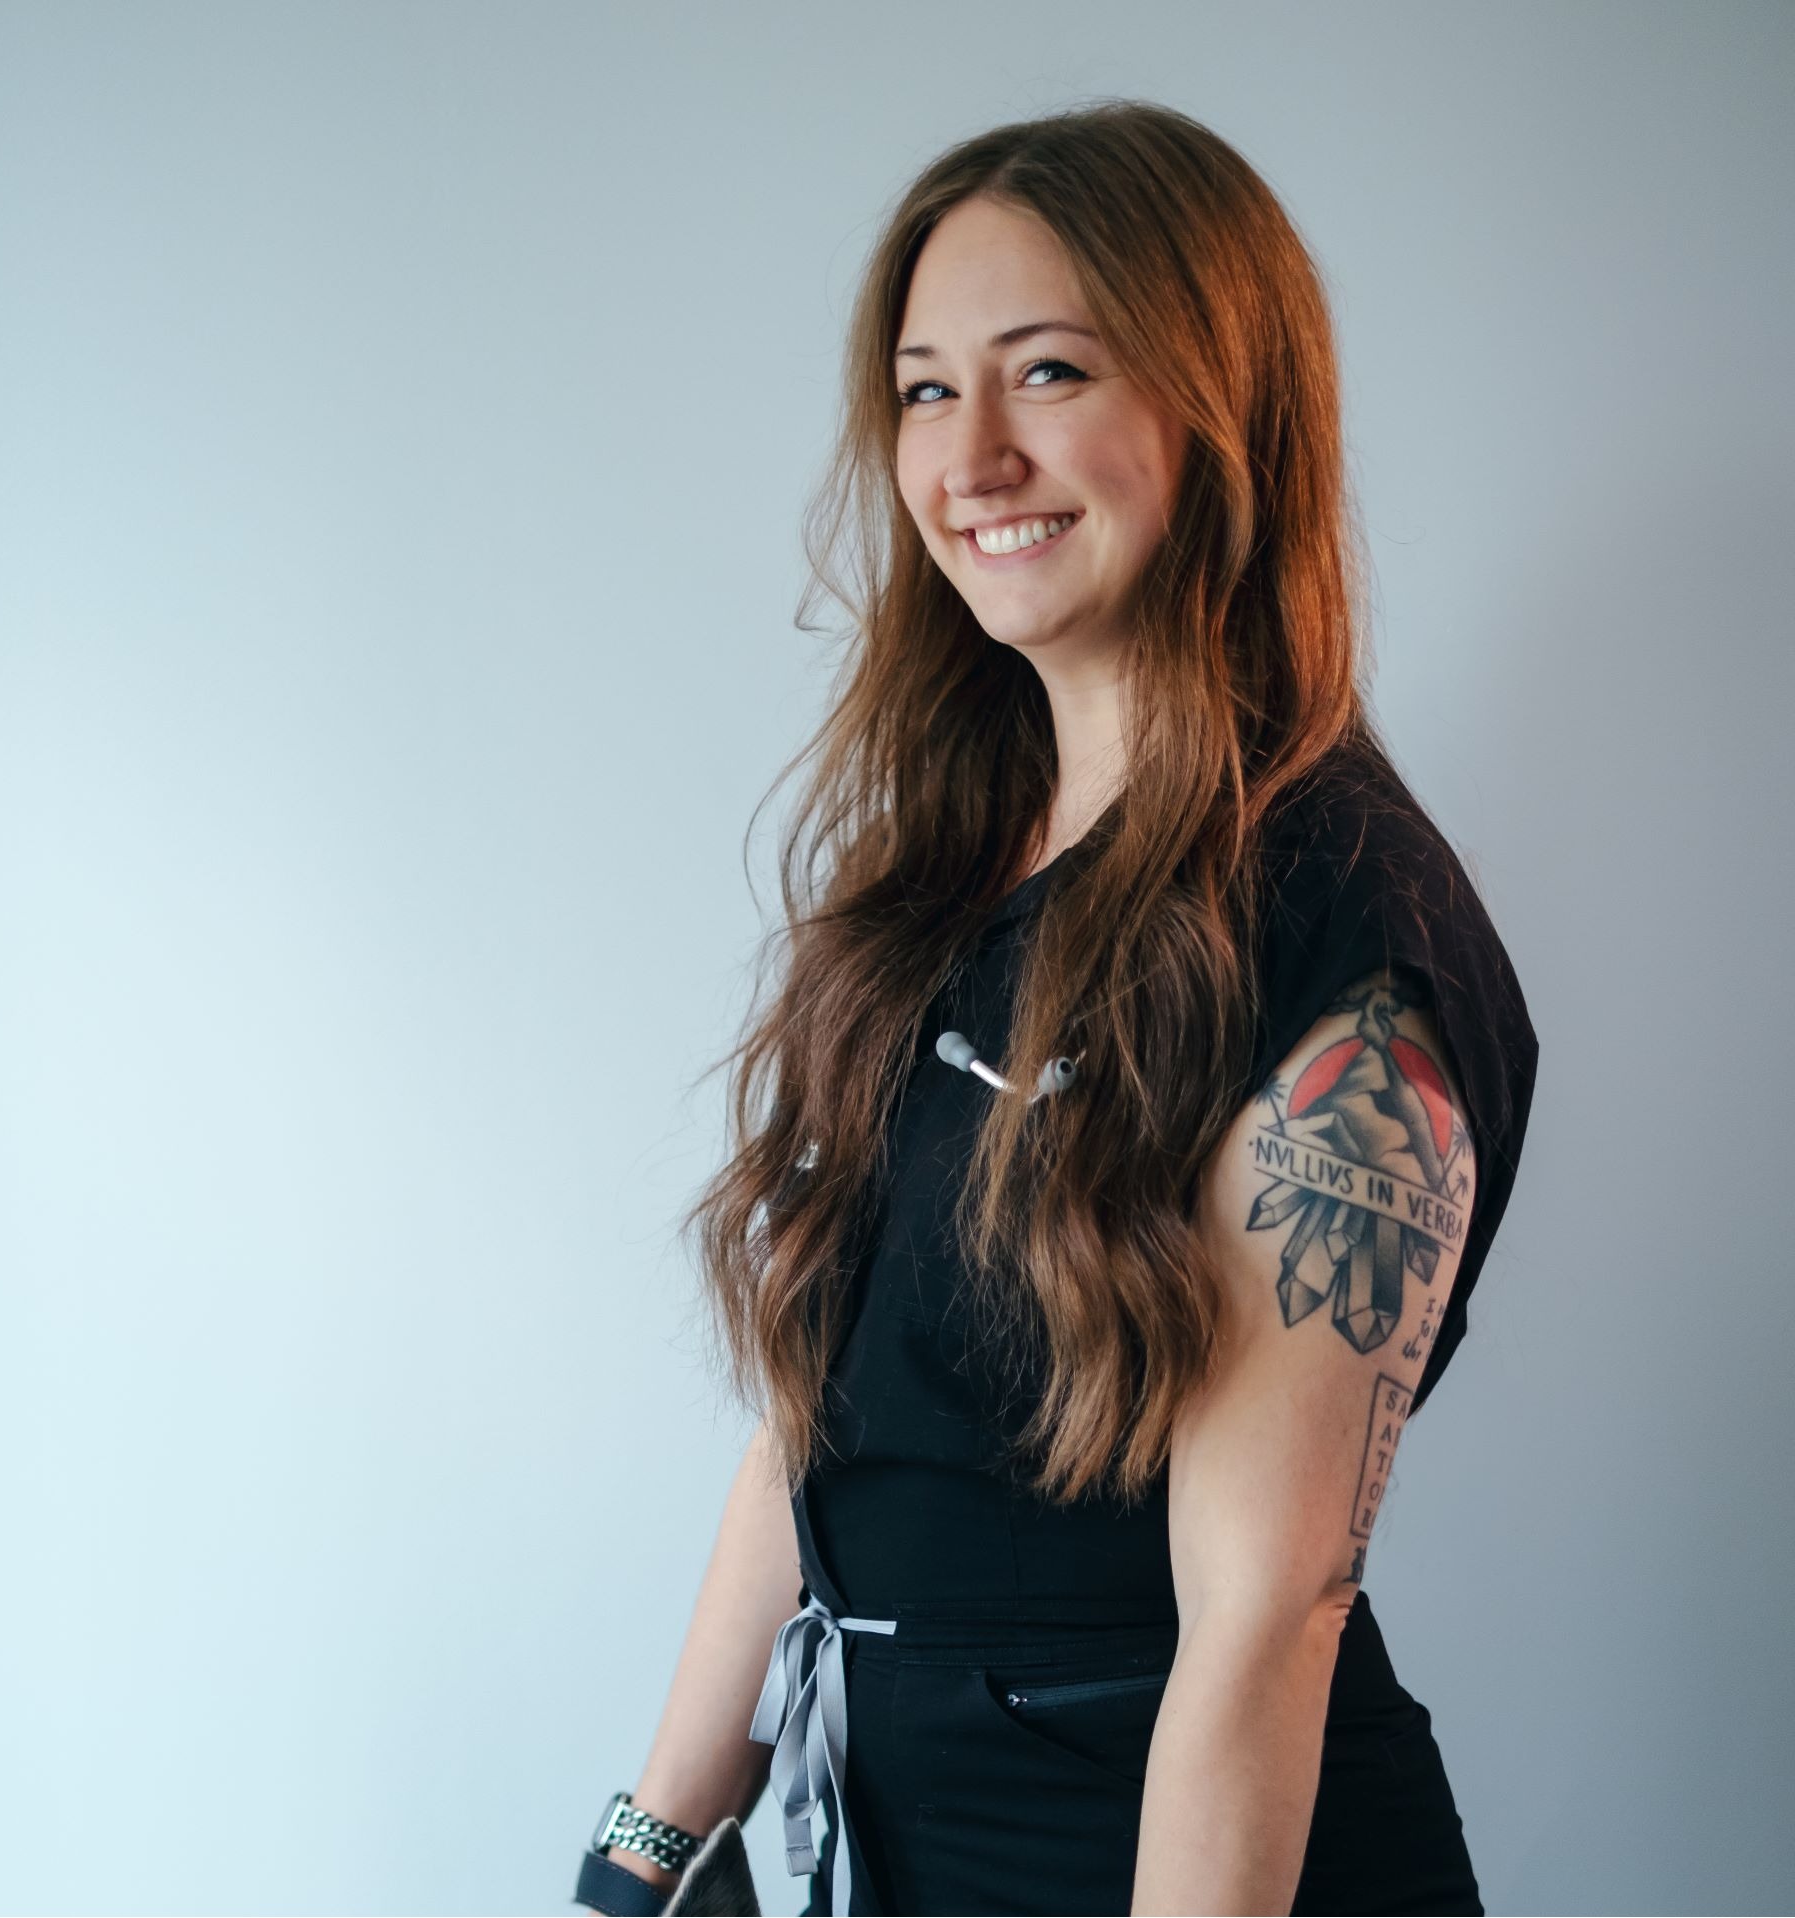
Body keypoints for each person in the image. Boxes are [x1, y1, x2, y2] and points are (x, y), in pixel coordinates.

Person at [572, 98, 1538, 1918]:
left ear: (1220, 410)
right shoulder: (945, 873)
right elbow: (816, 1427)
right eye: (929, 391)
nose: (974, 456)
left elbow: (1267, 1620)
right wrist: (646, 1848)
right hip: (909, 1838)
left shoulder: (1345, 923)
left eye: (1049, 371)